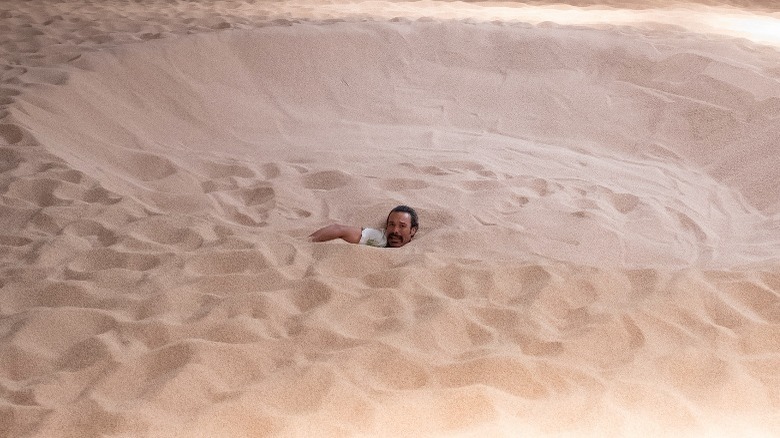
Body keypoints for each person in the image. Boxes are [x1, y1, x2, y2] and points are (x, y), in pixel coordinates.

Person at [309, 205, 418, 248]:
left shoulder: (419, 246)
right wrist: (308, 241)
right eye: (391, 224)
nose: (395, 231)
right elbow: (338, 229)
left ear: (413, 230)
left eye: (402, 226)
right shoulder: (379, 238)